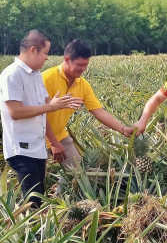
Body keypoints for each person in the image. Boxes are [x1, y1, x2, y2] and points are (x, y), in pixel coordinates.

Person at [0, 30, 81, 207]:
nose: (47, 58)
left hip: (37, 147)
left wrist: (53, 141)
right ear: (33, 50)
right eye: (45, 52)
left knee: (39, 198)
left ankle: (39, 230)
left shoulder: (36, 75)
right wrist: (51, 106)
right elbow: (15, 112)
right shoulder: (12, 74)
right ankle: (31, 233)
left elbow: (44, 109)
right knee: (33, 201)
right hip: (21, 149)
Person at [42, 39, 134, 171]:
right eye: (80, 65)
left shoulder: (83, 85)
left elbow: (98, 111)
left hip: (59, 135)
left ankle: (61, 193)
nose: (83, 69)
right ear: (67, 59)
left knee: (78, 173)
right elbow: (40, 113)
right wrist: (53, 142)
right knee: (36, 180)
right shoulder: (47, 78)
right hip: (37, 137)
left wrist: (123, 129)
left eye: (86, 65)